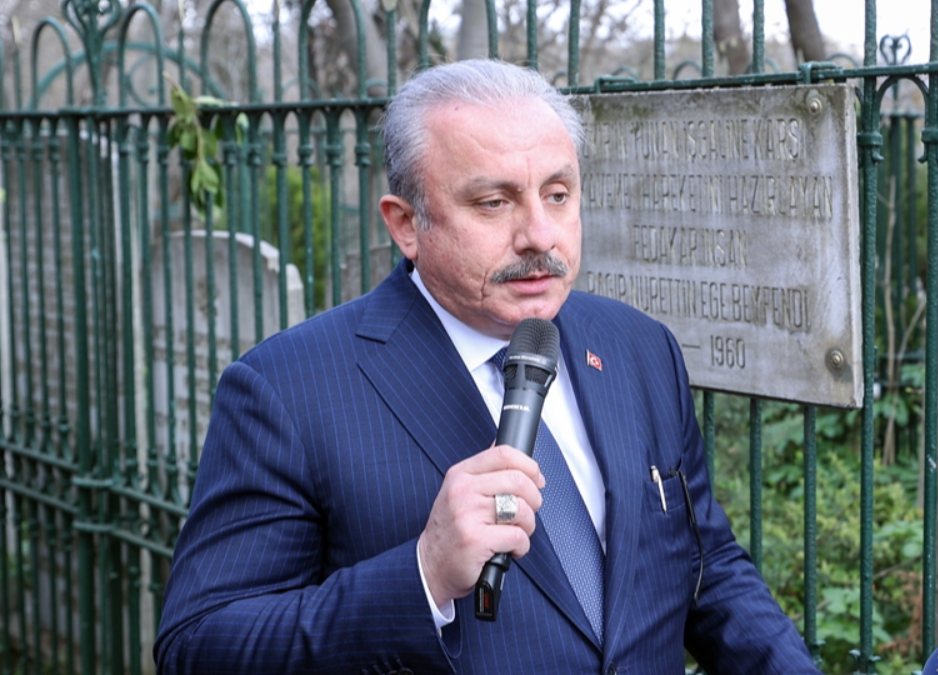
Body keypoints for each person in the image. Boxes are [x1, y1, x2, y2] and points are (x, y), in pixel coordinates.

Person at [154, 58, 821, 674]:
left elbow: (706, 568)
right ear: (406, 224)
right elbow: (198, 645)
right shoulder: (288, 389)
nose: (539, 235)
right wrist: (422, 575)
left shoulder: (639, 348)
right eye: (493, 202)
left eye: (557, 194)